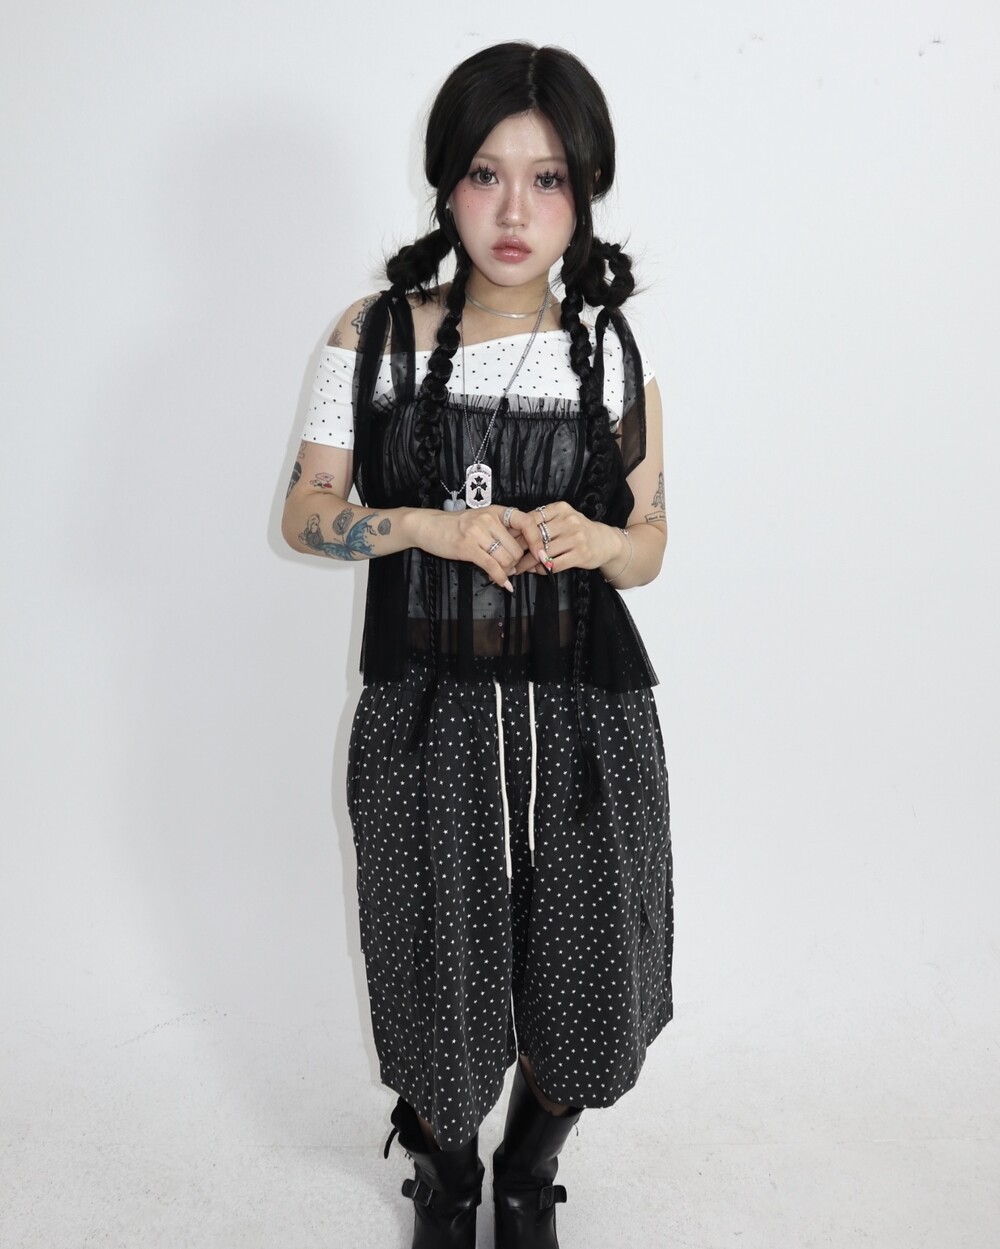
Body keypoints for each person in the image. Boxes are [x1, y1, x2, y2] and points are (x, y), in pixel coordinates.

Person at [281, 41, 673, 1249]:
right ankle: (445, 1176)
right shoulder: (373, 338)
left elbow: (650, 546)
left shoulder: (612, 356)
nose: (514, 211)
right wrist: (424, 527)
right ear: (445, 182)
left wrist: (597, 541)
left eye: (547, 179)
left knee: (594, 969)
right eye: (486, 174)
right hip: (425, 710)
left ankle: (526, 1172)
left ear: (585, 191)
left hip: (586, 714)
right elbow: (305, 514)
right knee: (431, 964)